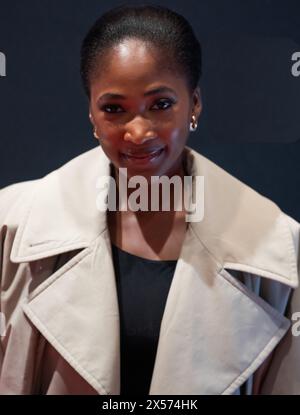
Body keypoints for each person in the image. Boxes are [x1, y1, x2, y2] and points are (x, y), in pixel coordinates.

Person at [0, 4, 299, 395]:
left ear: (194, 104)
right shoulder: (12, 224)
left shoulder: (278, 248)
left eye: (160, 105)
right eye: (114, 109)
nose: (138, 132)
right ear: (91, 114)